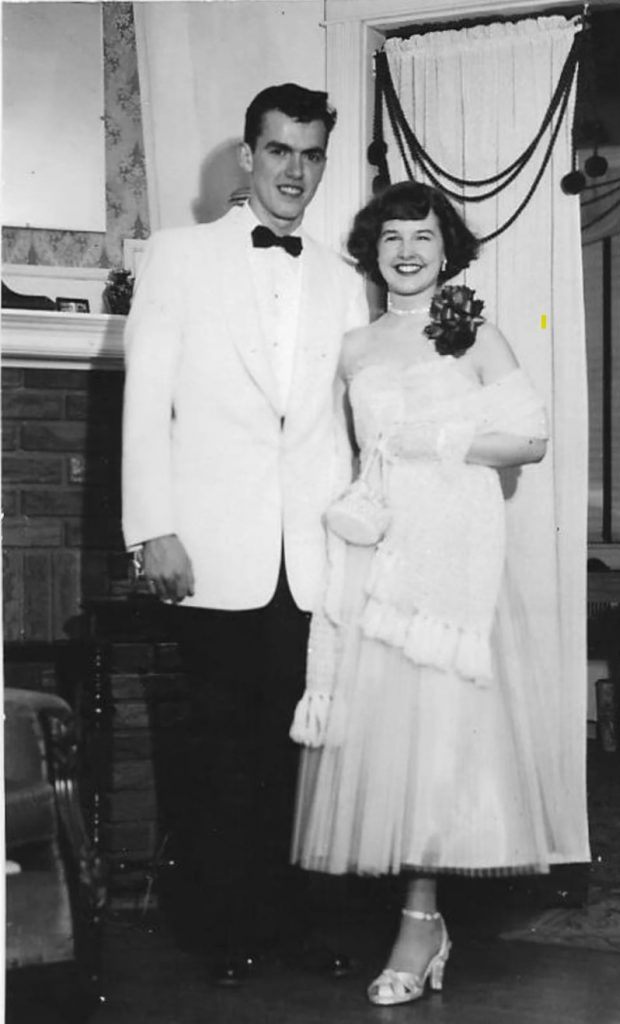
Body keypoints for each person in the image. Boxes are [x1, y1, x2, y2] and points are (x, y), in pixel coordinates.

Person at [290, 180, 590, 1006]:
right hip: (382, 563)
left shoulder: (476, 336)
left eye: (423, 236)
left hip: (455, 566)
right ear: (372, 250)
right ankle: (416, 923)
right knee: (387, 749)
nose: (408, 251)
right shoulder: (352, 348)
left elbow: (528, 440)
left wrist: (439, 438)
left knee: (438, 750)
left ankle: (420, 923)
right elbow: (334, 457)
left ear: (446, 248)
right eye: (392, 237)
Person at [121, 83, 368, 986]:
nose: (294, 171)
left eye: (310, 155)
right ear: (247, 156)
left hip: (310, 560)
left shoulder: (346, 281)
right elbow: (147, 402)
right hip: (212, 552)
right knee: (223, 751)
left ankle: (300, 921)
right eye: (279, 152)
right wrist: (153, 529)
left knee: (301, 752)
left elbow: (351, 420)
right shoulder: (179, 258)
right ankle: (226, 932)